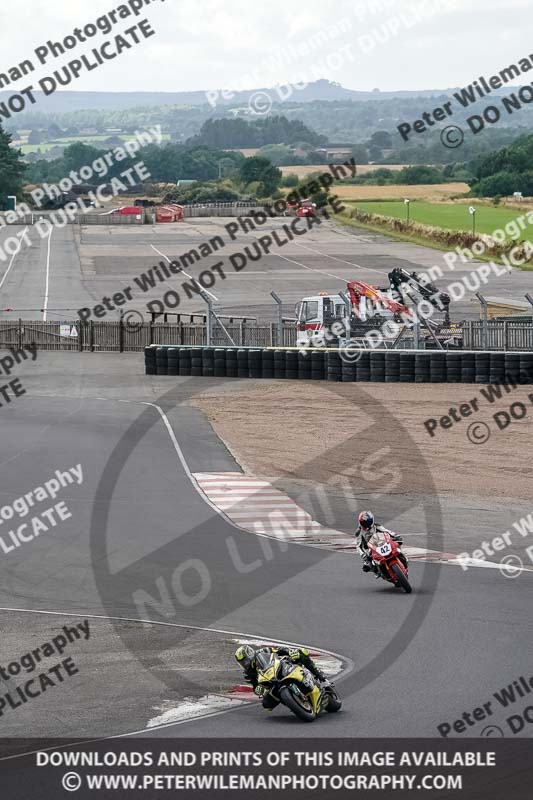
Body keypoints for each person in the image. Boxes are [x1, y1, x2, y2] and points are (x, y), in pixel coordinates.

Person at [234, 644, 329, 710]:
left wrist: (290, 652)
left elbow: (279, 650)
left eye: (245, 661)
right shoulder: (248, 673)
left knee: (301, 653)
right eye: (241, 663)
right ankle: (293, 703)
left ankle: (321, 678)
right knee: (266, 705)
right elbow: (255, 687)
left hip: (282, 667)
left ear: (250, 654)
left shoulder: (262, 651)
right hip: (272, 684)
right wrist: (259, 689)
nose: (244, 664)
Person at [355, 510, 404, 574]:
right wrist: (364, 555)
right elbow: (358, 546)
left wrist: (395, 536)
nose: (366, 525)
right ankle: (378, 572)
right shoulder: (359, 532)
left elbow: (386, 531)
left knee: (396, 545)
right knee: (368, 566)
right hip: (369, 549)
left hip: (381, 542)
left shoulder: (376, 525)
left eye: (368, 522)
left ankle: (402, 557)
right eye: (364, 523)